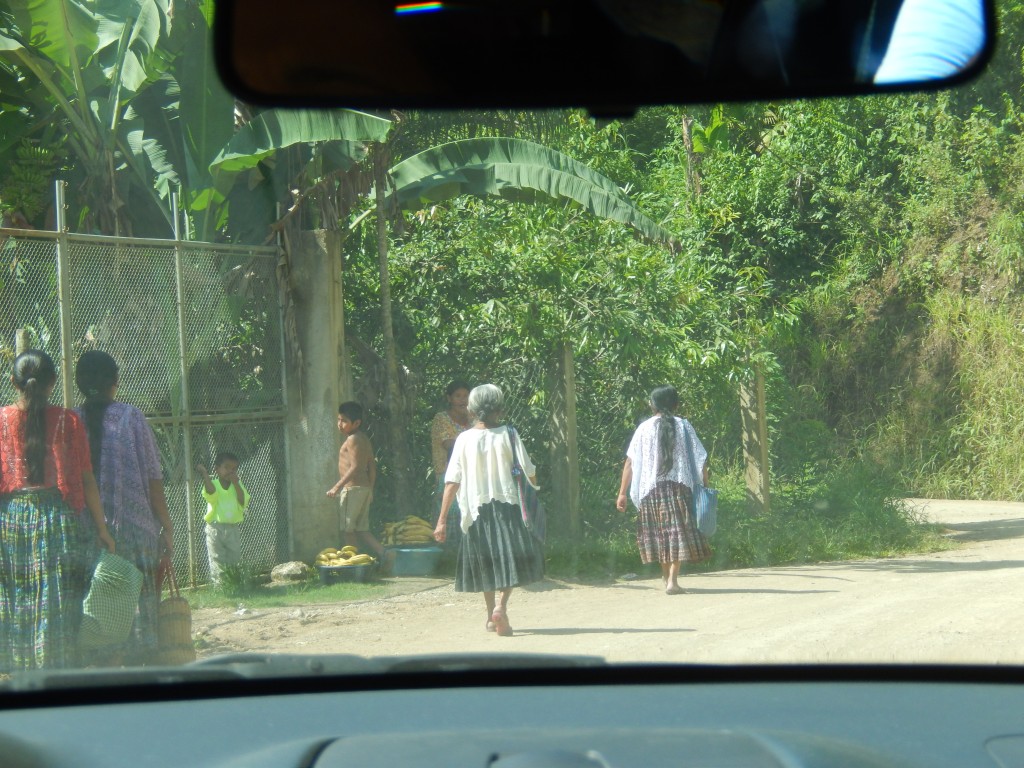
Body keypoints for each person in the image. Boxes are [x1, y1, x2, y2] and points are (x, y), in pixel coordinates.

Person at [0, 350, 115, 672]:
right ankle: (56, 668)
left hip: (11, 521)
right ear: (53, 382)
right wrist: (102, 528)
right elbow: (86, 478)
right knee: (57, 599)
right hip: (56, 521)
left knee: (18, 594)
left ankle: (22, 668)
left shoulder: (1, 421)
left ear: (12, 382)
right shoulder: (68, 420)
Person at [74, 350, 173, 665]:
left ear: (79, 382)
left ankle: (102, 659)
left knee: (98, 604)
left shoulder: (71, 420)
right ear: (115, 382)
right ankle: (136, 661)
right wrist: (166, 526)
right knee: (138, 602)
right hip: (134, 532)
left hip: (87, 536)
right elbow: (153, 478)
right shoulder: (132, 417)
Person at [433, 383, 544, 637]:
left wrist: (441, 520)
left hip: (475, 512)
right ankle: (501, 607)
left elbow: (452, 480)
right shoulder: (510, 435)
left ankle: (489, 616)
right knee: (508, 560)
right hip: (508, 507)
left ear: (472, 409)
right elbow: (530, 473)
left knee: (485, 564)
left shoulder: (463, 439)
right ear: (499, 408)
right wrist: (534, 496)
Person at [616, 384, 711, 595]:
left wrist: (622, 493)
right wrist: (705, 483)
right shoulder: (684, 426)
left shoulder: (643, 429)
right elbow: (701, 458)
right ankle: (672, 581)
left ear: (653, 405)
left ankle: (665, 577)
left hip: (651, 491)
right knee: (677, 533)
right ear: (676, 404)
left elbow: (630, 463)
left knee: (660, 534)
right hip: (679, 488)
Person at [326, 401, 382, 556]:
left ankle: (355, 564)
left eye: (344, 421)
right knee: (362, 529)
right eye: (338, 419)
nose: (340, 424)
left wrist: (337, 487)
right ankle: (385, 554)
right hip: (363, 489)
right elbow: (371, 466)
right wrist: (370, 489)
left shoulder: (352, 440)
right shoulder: (363, 438)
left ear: (357, 423)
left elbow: (356, 466)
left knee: (347, 529)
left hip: (352, 490)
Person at [429, 380, 471, 551]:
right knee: (450, 517)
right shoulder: (441, 419)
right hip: (448, 476)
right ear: (449, 398)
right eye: (458, 396)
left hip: (470, 477)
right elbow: (449, 445)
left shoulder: (473, 419)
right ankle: (448, 556)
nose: (463, 400)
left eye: (466, 396)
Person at [196, 452, 249, 584]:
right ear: (217, 469)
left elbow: (243, 502)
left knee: (234, 558)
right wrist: (205, 474)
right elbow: (210, 493)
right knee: (216, 559)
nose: (230, 472)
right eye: (227, 468)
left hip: (232, 528)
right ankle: (220, 588)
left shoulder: (238, 485)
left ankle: (233, 585)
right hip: (215, 528)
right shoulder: (213, 484)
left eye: (234, 469)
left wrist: (236, 484)